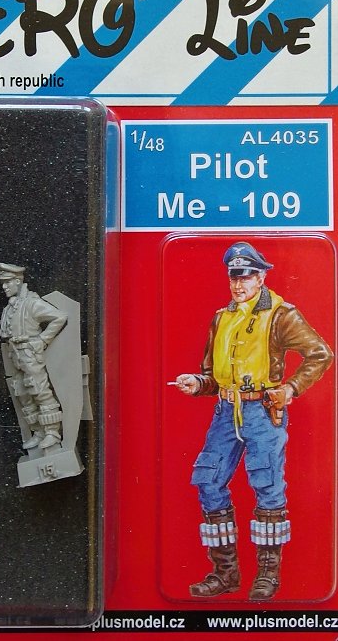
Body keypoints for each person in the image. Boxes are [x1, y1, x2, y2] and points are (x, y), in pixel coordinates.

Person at [174, 242, 333, 600]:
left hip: (263, 410)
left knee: (267, 485)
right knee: (208, 481)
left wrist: (290, 388)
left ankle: (267, 574)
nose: (238, 284)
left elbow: (320, 353)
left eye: (245, 277)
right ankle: (225, 573)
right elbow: (211, 375)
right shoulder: (222, 318)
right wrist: (198, 383)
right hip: (226, 411)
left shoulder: (281, 314)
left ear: (260, 278)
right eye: (233, 277)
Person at [0, 263, 67, 450]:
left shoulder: (32, 303)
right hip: (15, 354)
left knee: (40, 390)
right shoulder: (9, 307)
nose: (4, 287)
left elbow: (59, 317)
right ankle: (38, 431)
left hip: (29, 353)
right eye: (3, 283)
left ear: (18, 281)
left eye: (7, 282)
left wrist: (42, 340)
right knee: (22, 393)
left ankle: (52, 432)